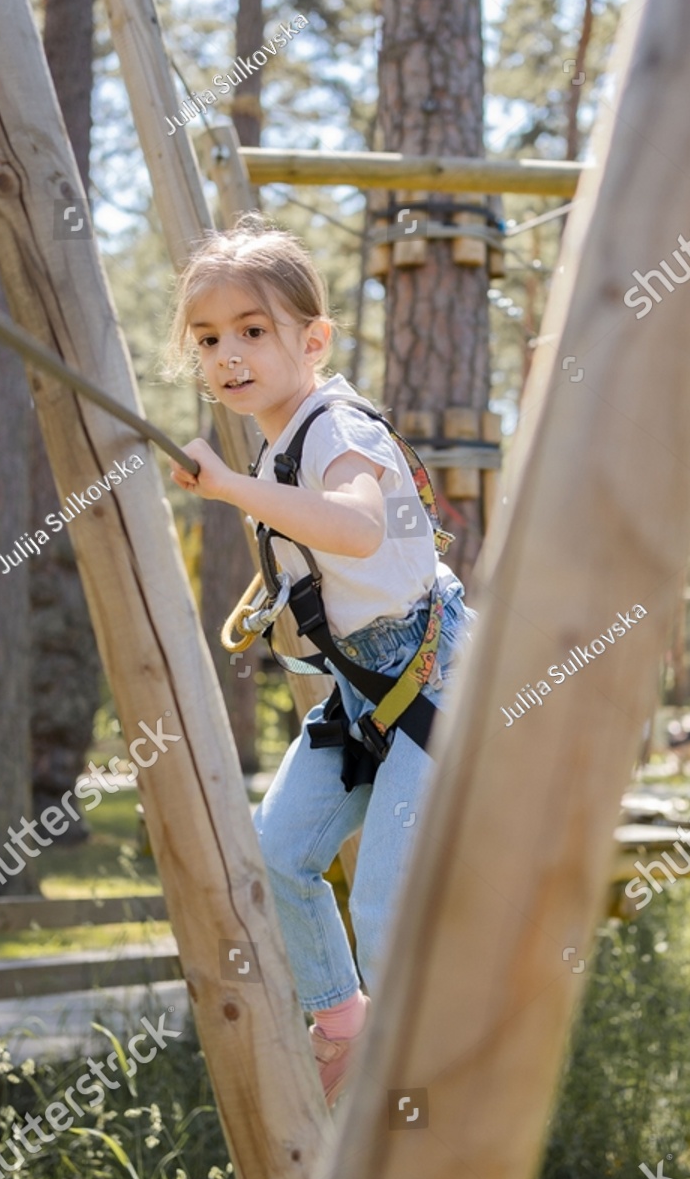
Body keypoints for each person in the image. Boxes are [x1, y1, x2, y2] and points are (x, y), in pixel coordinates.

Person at [167, 219, 475, 1104]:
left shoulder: (335, 427)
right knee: (276, 855)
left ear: (313, 339)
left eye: (252, 331)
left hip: (431, 681)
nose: (228, 354)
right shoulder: (281, 436)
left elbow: (356, 525)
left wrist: (230, 487)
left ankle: (423, 1092)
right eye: (210, 337)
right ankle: (345, 1023)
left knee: (383, 905)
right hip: (363, 690)